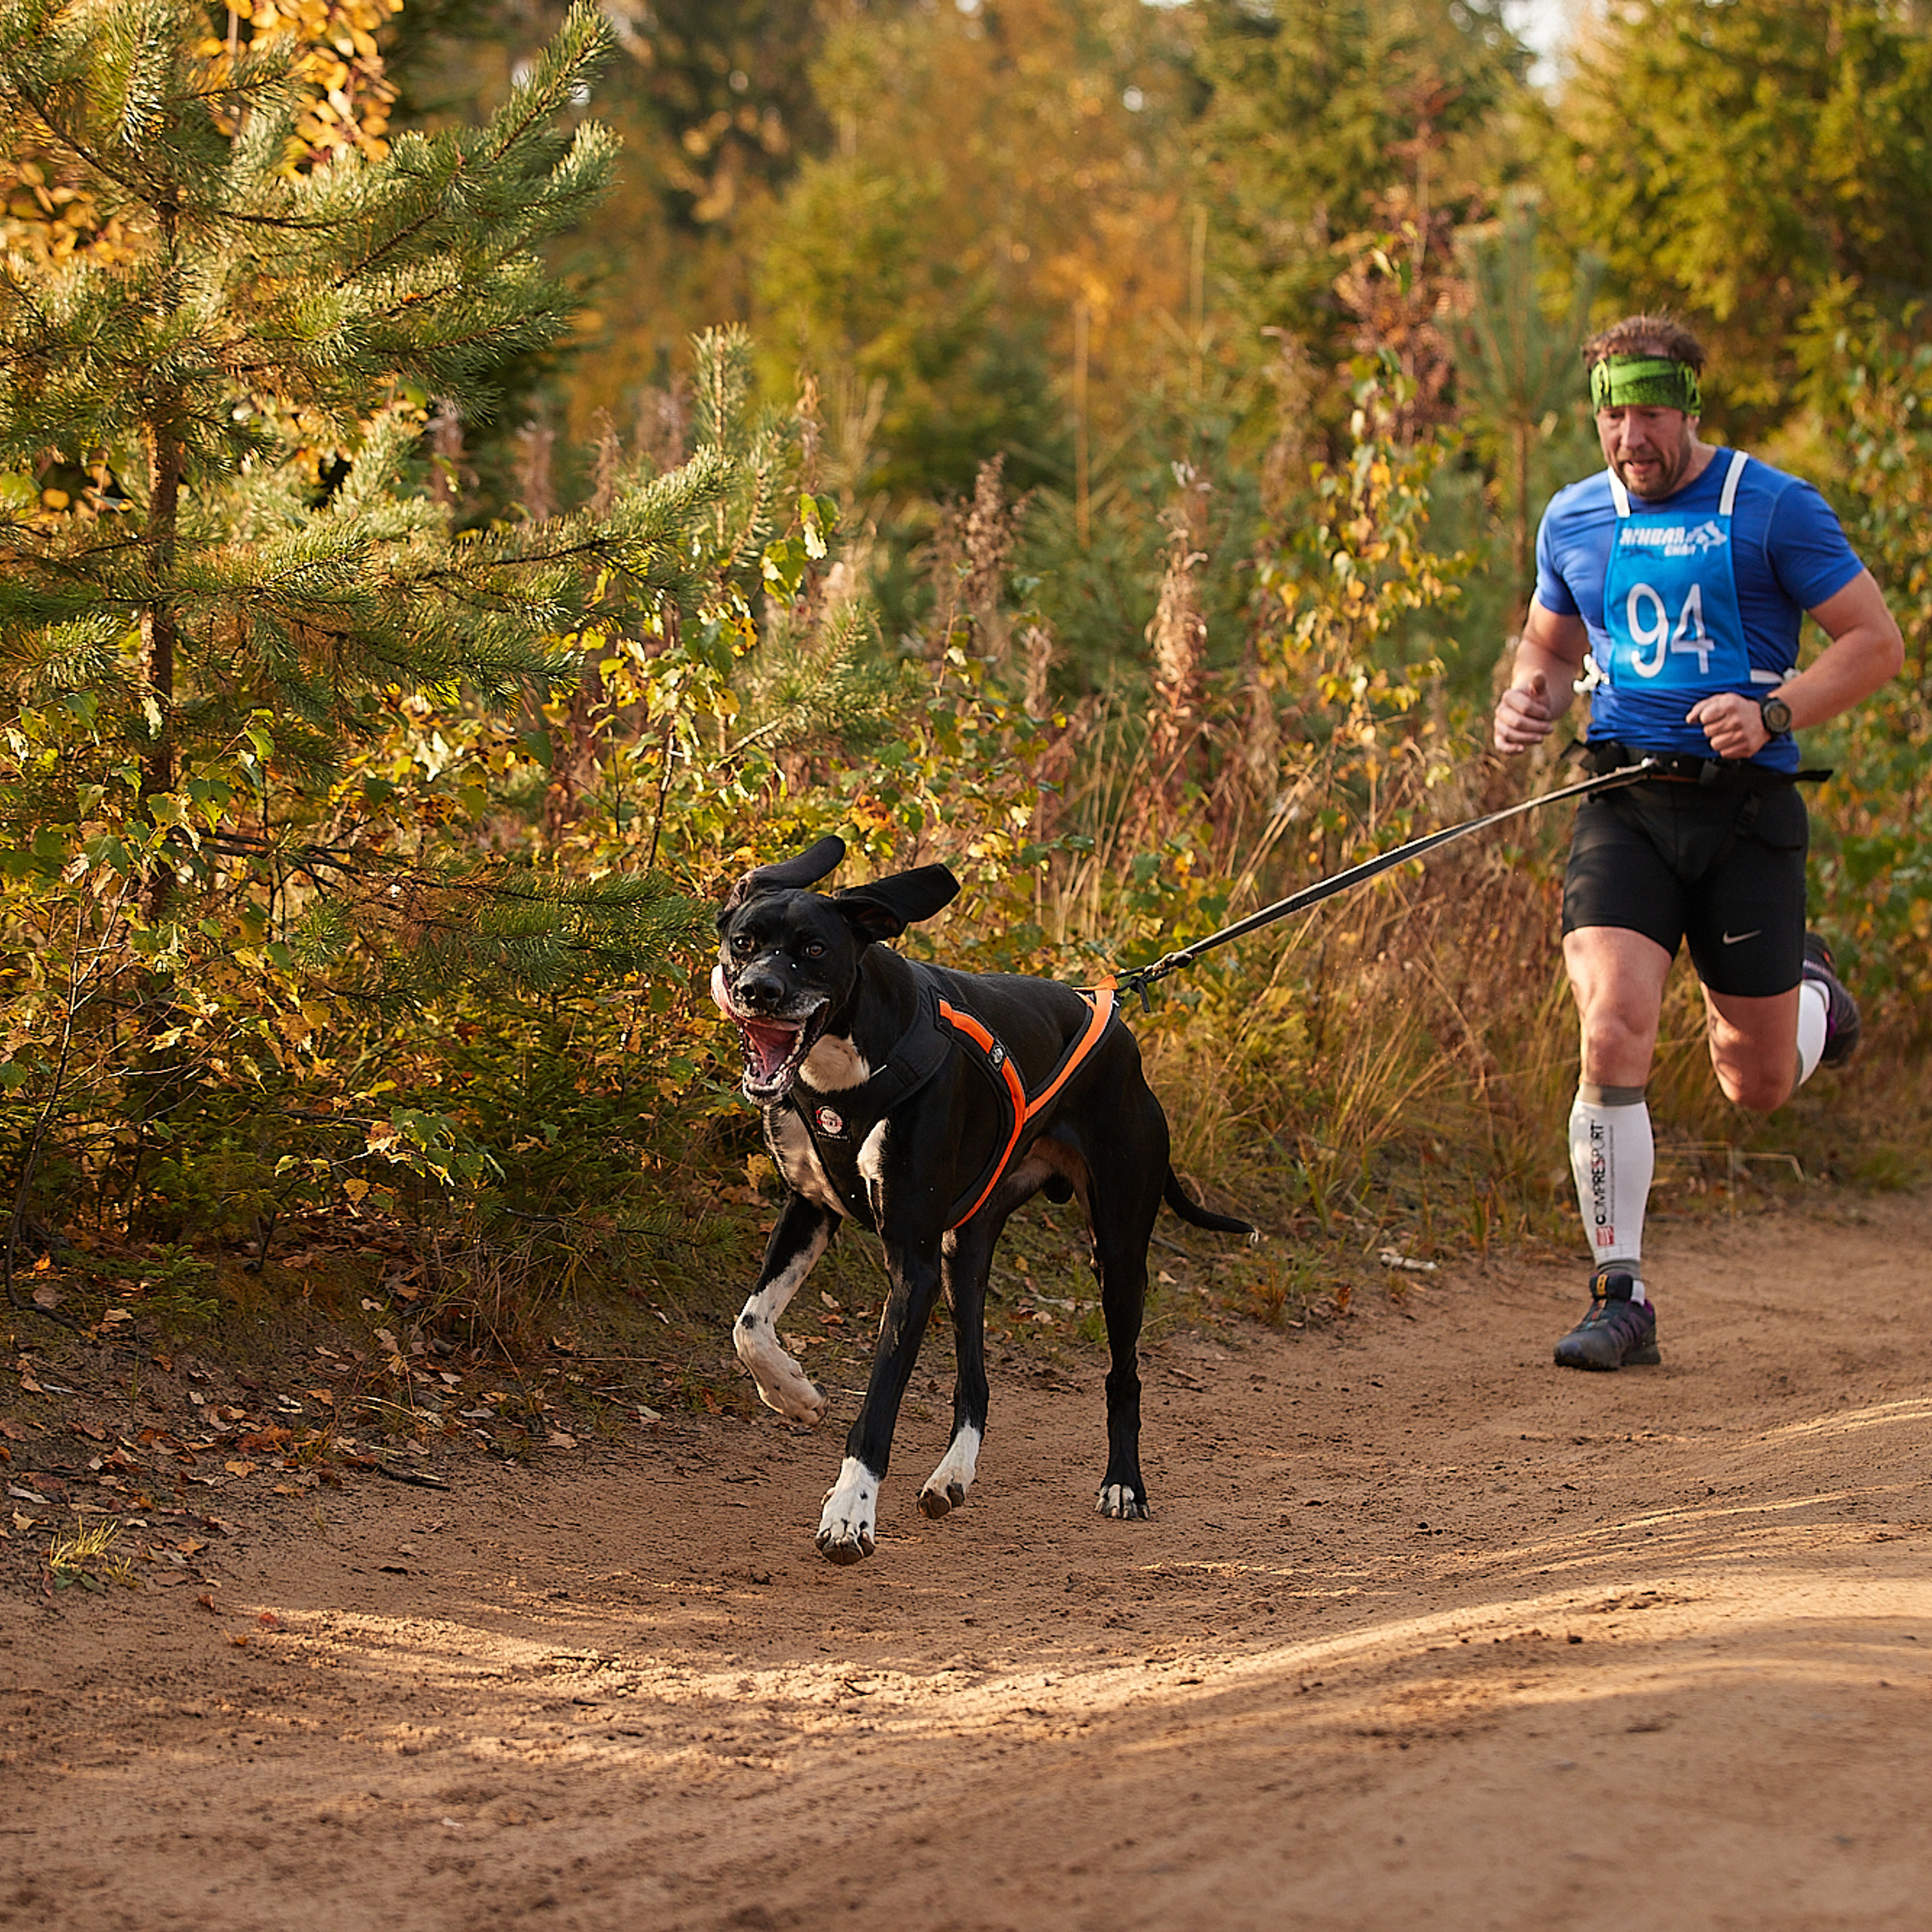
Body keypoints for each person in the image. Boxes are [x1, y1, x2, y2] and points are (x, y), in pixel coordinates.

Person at [1494, 315, 1903, 1371]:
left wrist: (1776, 711)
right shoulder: (1574, 518)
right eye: (1612, 414)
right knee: (1613, 1027)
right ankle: (1618, 1294)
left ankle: (1812, 996)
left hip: (1748, 814)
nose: (1631, 435)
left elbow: (1875, 641)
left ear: (1689, 410)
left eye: (1650, 412)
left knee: (1753, 1082)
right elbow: (1547, 647)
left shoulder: (1772, 507)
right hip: (1624, 804)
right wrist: (1525, 701)